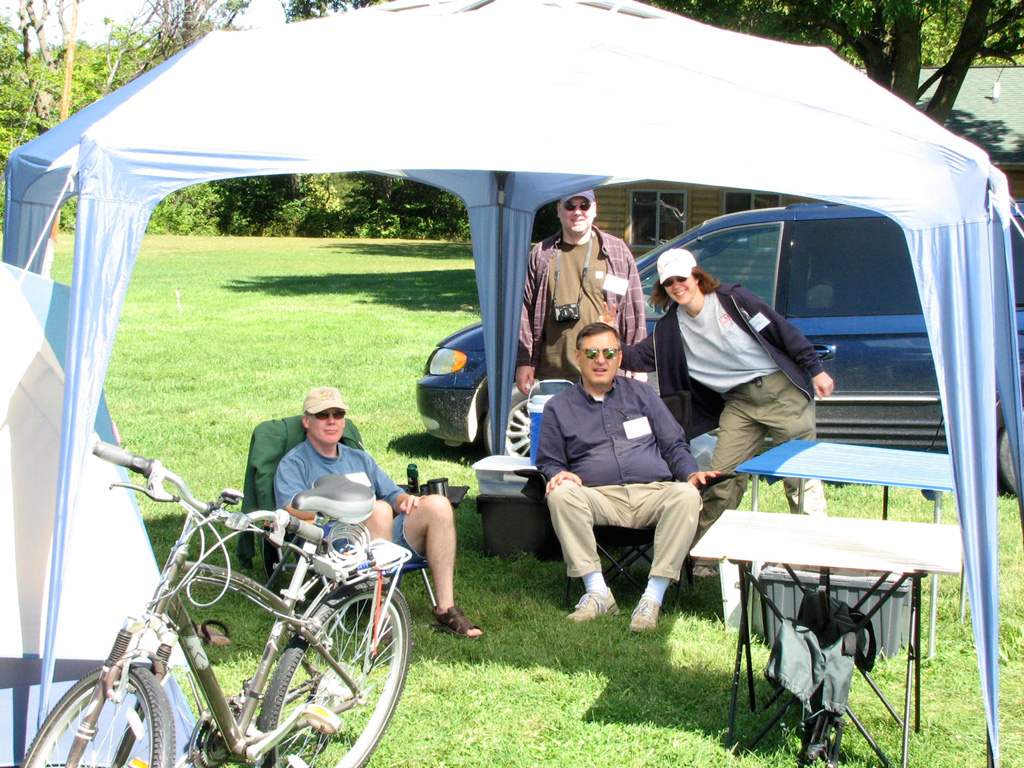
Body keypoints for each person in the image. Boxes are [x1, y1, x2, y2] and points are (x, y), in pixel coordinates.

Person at [620, 248, 836, 546]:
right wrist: (605, 343)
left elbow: (781, 330)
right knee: (721, 479)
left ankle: (817, 553)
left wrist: (815, 370)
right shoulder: (670, 328)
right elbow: (636, 358)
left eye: (681, 278)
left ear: (696, 276)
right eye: (669, 282)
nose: (676, 286)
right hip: (739, 404)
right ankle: (705, 553)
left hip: (780, 392)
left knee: (799, 478)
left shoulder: (733, 300)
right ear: (663, 288)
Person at [535, 322, 718, 632]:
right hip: (598, 498)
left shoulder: (642, 394)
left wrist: (690, 474)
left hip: (653, 492)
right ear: (578, 357)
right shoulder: (558, 407)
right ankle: (597, 591)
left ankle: (652, 597)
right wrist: (558, 473)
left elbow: (673, 444)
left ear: (620, 357)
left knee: (686, 495)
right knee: (561, 492)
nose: (600, 360)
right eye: (592, 352)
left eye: (609, 352)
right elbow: (549, 461)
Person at [275, 386, 483, 638]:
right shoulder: (295, 463)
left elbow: (393, 494)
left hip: (380, 539)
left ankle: (445, 609)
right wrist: (331, 513)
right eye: (322, 415)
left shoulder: (359, 458)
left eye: (338, 414)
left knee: (438, 505)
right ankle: (382, 617)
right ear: (306, 421)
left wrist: (406, 500)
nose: (331, 421)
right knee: (380, 510)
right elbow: (289, 510)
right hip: (336, 545)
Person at [516, 190, 646, 395]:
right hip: (553, 373)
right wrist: (525, 362)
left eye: (584, 205)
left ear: (594, 209)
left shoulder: (615, 251)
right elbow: (524, 311)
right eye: (570, 206)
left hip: (605, 371)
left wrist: (636, 362)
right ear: (559, 210)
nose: (577, 212)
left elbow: (633, 309)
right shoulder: (541, 253)